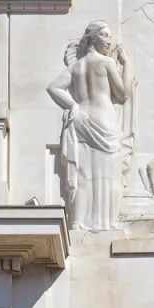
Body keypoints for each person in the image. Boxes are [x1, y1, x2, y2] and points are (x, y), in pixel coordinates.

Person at [47, 21, 133, 231]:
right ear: (92, 38)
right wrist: (127, 64)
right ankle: (106, 223)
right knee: (108, 175)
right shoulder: (106, 63)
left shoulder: (76, 66)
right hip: (104, 120)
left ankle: (79, 221)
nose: (109, 41)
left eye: (110, 36)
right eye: (104, 35)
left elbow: (53, 88)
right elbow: (123, 93)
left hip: (81, 120)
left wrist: (73, 105)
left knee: (83, 174)